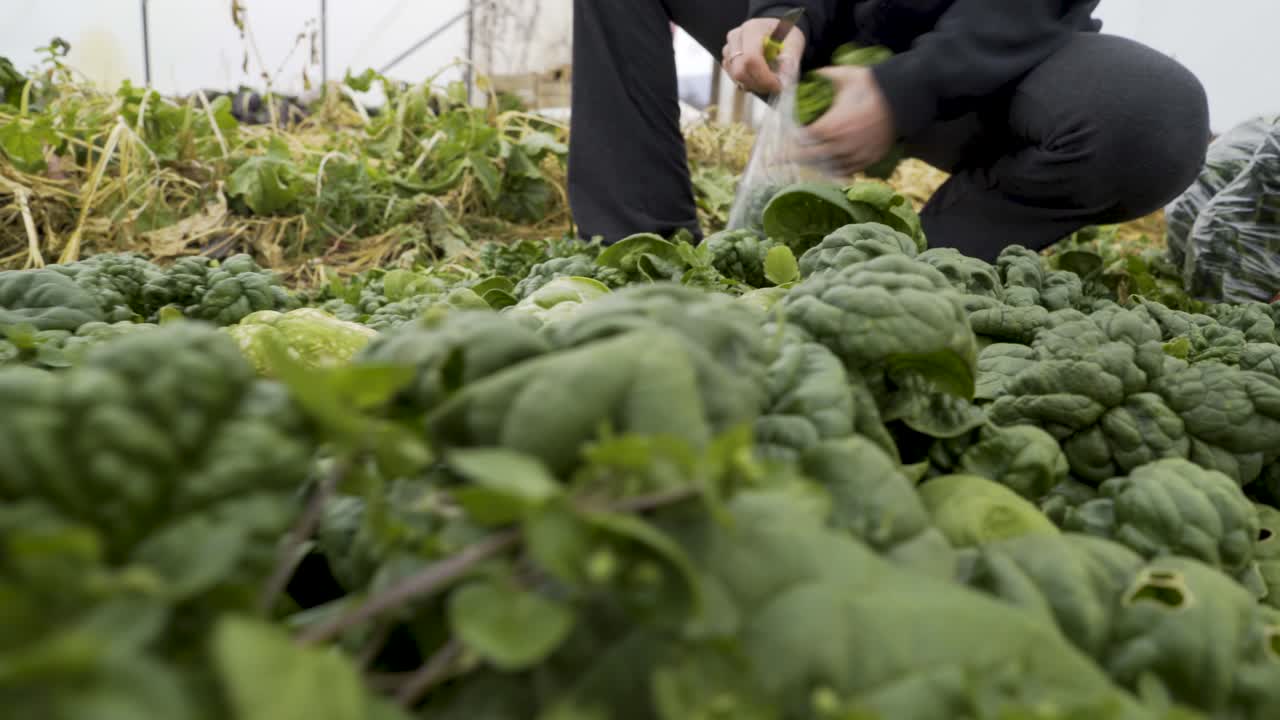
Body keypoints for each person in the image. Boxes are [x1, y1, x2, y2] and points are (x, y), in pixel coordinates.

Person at [566, 0, 1212, 263]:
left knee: (1149, 115)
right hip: (832, 32)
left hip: (982, 58)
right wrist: (783, 14)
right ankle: (640, 252)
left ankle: (918, 270)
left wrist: (908, 88)